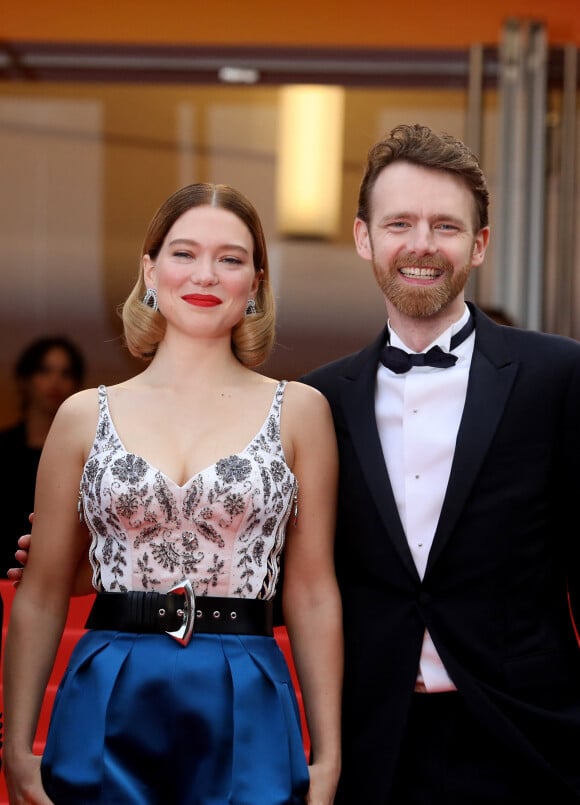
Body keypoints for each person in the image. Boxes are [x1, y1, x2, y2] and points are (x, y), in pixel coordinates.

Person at [3, 183, 343, 805]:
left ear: (257, 283)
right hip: (109, 684)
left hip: (249, 689)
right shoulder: (81, 416)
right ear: (150, 269)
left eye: (231, 258)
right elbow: (43, 592)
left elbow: (314, 591)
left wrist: (329, 756)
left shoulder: (301, 411)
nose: (206, 274)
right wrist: (16, 750)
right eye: (184, 253)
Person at [299, 123, 580, 803]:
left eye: (446, 226)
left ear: (479, 244)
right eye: (400, 223)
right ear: (364, 236)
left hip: (532, 743)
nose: (421, 244)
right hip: (372, 747)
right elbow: (286, 569)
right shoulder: (315, 401)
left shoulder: (558, 374)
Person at [0, 336, 85, 577]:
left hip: (60, 577)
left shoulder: (88, 456)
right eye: (44, 371)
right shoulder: (3, 447)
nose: (55, 381)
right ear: (25, 380)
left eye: (65, 373)